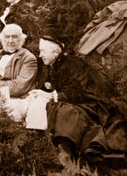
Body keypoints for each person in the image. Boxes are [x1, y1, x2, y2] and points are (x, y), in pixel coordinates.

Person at [29, 26, 127, 163]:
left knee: (63, 110)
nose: (40, 55)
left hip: (90, 103)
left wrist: (52, 96)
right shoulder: (49, 65)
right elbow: (47, 86)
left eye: (43, 51)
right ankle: (42, 144)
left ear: (56, 51)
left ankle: (66, 151)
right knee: (46, 105)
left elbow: (81, 92)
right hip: (71, 100)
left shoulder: (73, 64)